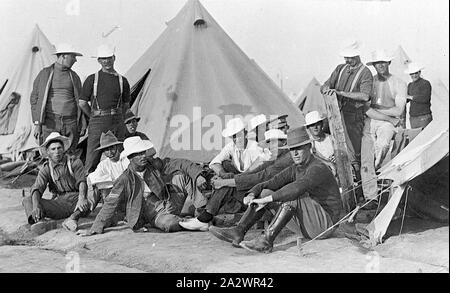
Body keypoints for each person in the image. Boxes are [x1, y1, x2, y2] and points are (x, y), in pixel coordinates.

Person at [209, 126, 343, 253]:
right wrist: (252, 193)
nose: (295, 153)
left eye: (299, 148)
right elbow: (271, 182)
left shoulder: (317, 168)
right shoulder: (296, 167)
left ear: (309, 146)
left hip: (326, 225)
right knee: (265, 191)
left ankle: (266, 241)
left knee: (292, 196)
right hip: (308, 226)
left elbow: (297, 187)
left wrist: (266, 200)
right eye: (292, 149)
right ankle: (238, 231)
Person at [76, 136, 209, 236]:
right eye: (138, 154)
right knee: (169, 224)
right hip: (152, 213)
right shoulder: (125, 179)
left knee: (182, 176)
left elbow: (180, 163)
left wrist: (198, 175)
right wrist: (95, 228)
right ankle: (190, 222)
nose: (143, 156)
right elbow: (110, 204)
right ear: (130, 157)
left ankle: (202, 214)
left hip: (168, 201)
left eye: (143, 152)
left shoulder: (153, 164)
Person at [179, 128, 293, 231]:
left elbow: (260, 177)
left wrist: (227, 182)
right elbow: (253, 173)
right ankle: (205, 217)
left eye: (274, 142)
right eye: (269, 143)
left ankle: (205, 218)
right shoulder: (272, 156)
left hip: (273, 195)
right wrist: (227, 179)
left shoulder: (284, 158)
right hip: (258, 189)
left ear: (284, 143)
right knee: (226, 170)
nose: (270, 146)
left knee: (228, 185)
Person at [320, 40, 373, 181]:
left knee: (355, 154)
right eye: (346, 58)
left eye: (351, 58)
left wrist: (341, 93)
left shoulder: (365, 73)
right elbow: (325, 85)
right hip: (336, 115)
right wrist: (326, 89)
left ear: (357, 56)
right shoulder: (340, 69)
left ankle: (360, 184)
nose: (348, 60)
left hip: (353, 118)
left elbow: (364, 95)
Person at [361, 49, 407, 201]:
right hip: (371, 120)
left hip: (386, 123)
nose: (380, 65)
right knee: (365, 152)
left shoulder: (399, 83)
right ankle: (370, 195)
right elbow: (365, 108)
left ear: (389, 62)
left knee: (382, 144)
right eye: (377, 63)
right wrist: (386, 114)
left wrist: (379, 112)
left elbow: (398, 110)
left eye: (383, 62)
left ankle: (376, 172)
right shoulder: (370, 82)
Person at [21, 132, 89, 234]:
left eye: (59, 148)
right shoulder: (46, 168)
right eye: (53, 149)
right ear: (48, 152)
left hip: (77, 202)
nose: (57, 152)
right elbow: (37, 188)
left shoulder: (74, 162)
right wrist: (36, 206)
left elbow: (82, 181)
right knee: (28, 200)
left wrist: (82, 198)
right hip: (59, 204)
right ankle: (40, 222)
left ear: (63, 149)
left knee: (93, 192)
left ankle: (71, 219)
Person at [79, 45, 131, 174]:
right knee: (92, 157)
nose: (106, 61)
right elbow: (82, 103)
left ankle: (123, 186)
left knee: (121, 155)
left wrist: (119, 117)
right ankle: (89, 189)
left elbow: (126, 104)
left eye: (109, 58)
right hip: (98, 121)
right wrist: (93, 115)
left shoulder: (122, 80)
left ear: (114, 58)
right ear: (98, 61)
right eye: (103, 59)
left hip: (116, 120)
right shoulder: (92, 79)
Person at [30, 43, 86, 154]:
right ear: (64, 56)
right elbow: (34, 99)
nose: (75, 60)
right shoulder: (45, 74)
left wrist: (83, 122)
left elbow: (80, 100)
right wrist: (37, 124)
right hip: (51, 122)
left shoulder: (74, 77)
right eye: (73, 56)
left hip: (71, 122)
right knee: (51, 155)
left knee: (70, 154)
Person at [87, 131, 129, 211]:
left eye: (112, 148)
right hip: (113, 196)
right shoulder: (103, 164)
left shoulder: (126, 158)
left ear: (117, 147)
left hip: (128, 193)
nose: (110, 152)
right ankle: (87, 209)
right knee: (100, 186)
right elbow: (91, 178)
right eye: (106, 150)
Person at [304, 111, 336, 176]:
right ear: (308, 127)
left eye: (317, 124)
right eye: (312, 125)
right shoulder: (308, 145)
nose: (315, 127)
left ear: (322, 124)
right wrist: (328, 163)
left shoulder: (332, 138)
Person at [405, 62, 433, 129]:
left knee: (426, 138)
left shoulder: (425, 83)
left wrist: (410, 97)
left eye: (416, 73)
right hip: (413, 118)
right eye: (412, 73)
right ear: (409, 74)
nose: (414, 75)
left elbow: (425, 98)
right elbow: (407, 99)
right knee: (416, 138)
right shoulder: (410, 85)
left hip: (424, 117)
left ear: (419, 73)